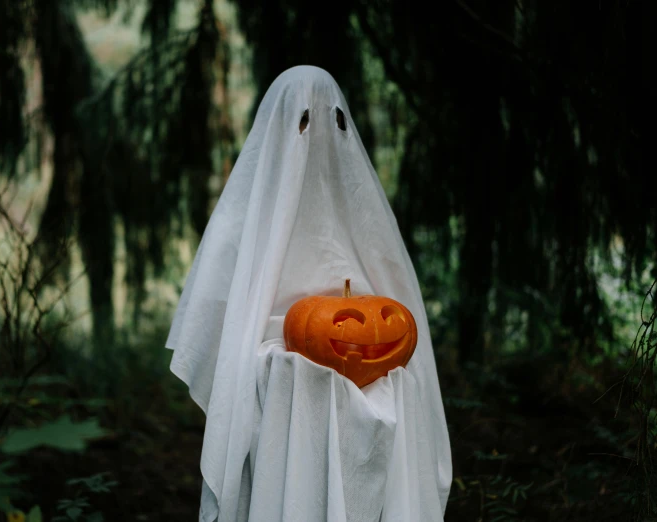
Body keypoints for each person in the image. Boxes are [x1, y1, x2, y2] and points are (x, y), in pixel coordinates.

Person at [166, 65, 451, 522]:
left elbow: (397, 298)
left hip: (354, 345)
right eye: (302, 121)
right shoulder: (244, 213)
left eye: (334, 121)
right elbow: (218, 323)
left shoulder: (366, 212)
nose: (317, 134)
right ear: (278, 124)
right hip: (280, 363)